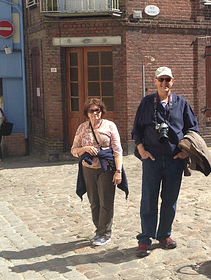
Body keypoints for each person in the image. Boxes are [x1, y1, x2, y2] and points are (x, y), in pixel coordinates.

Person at [132, 66, 199, 257]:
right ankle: (145, 239)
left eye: (167, 80)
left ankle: (164, 235)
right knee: (148, 200)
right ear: (154, 81)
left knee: (170, 200)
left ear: (172, 81)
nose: (164, 83)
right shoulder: (146, 103)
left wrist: (186, 152)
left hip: (174, 160)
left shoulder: (181, 103)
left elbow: (193, 129)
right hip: (151, 160)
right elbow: (136, 130)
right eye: (160, 80)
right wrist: (141, 150)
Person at [71, 98, 123, 247]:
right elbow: (74, 150)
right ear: (87, 113)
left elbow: (118, 151)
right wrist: (84, 149)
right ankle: (98, 230)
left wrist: (118, 171)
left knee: (106, 202)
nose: (95, 113)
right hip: (88, 170)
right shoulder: (82, 128)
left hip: (106, 168)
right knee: (94, 202)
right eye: (91, 111)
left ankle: (105, 233)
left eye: (97, 110)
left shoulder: (110, 126)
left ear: (102, 111)